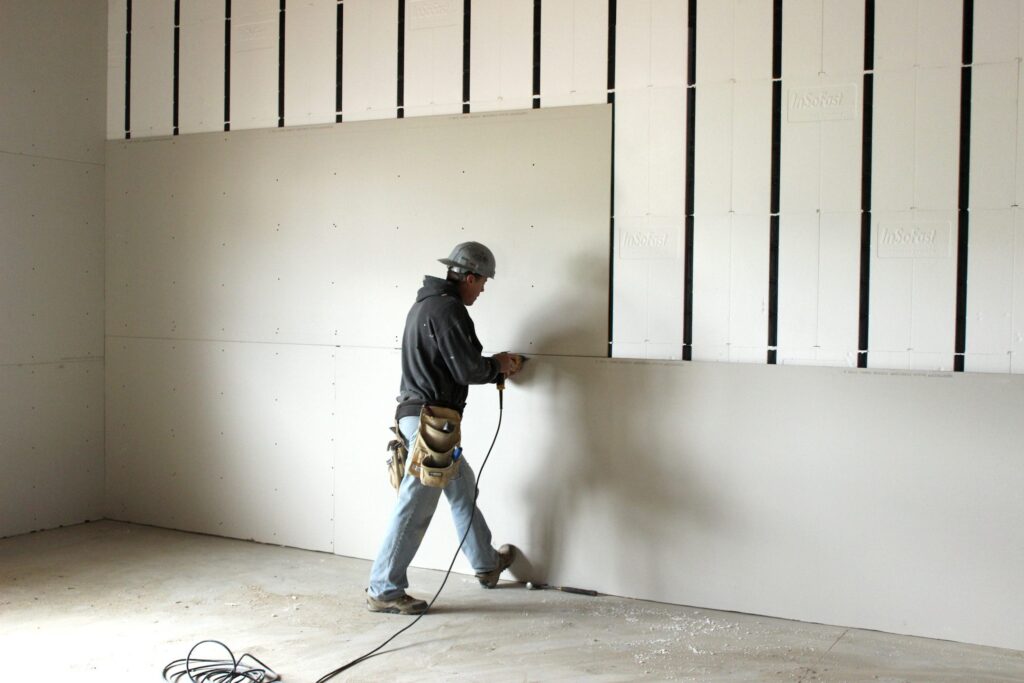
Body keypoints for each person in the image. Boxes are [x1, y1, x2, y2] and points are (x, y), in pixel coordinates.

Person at [366, 241, 523, 615]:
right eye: (482, 282)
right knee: (415, 503)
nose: (482, 289)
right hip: (430, 421)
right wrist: (498, 365)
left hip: (422, 418)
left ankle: (486, 564)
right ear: (468, 277)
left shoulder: (424, 305)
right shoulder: (448, 308)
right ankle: (384, 589)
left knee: (462, 487)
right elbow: (466, 369)